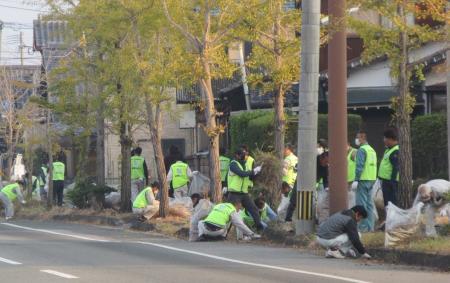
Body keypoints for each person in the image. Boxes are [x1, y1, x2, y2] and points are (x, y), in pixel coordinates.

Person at [285, 152, 329, 222]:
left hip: (312, 184)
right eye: (326, 161)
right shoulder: (312, 159)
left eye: (328, 162)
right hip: (301, 180)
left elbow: (325, 179)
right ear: (321, 158)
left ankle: (313, 219)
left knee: (312, 201)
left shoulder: (325, 167)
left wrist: (326, 187)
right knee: (294, 199)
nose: (326, 163)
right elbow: (300, 164)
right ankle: (288, 218)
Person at [227, 149, 264, 231]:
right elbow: (242, 174)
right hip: (234, 193)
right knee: (230, 212)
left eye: (245, 155)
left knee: (254, 209)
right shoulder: (233, 164)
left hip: (244, 193)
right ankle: (226, 231)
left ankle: (260, 229)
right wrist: (253, 171)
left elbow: (249, 176)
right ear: (237, 155)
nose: (245, 157)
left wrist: (256, 172)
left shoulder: (244, 165)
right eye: (243, 155)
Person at [352, 130, 377, 232]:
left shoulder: (362, 150)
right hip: (371, 180)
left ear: (362, 138)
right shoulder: (371, 150)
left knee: (361, 205)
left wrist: (356, 180)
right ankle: (370, 228)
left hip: (362, 180)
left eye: (358, 138)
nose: (356, 140)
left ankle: (362, 229)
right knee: (369, 205)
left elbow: (360, 166)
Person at [378, 128, 399, 207]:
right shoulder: (389, 149)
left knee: (391, 203)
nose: (384, 140)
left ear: (390, 139)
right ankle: (389, 217)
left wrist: (392, 182)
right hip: (386, 181)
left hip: (390, 182)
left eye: (385, 138)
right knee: (387, 202)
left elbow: (396, 167)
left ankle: (392, 218)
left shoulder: (395, 151)